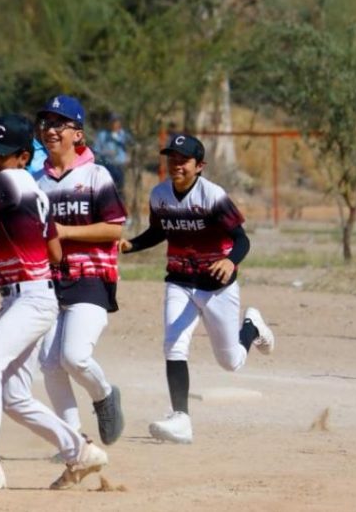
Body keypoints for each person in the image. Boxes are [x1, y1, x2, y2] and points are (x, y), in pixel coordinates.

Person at [0, 114, 108, 492]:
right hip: (32, 297)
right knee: (14, 396)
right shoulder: (36, 192)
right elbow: (55, 253)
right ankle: (79, 450)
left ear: (22, 157)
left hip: (29, 299)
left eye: (3, 155)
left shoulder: (8, 181)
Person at [118, 132, 275, 444]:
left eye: (184, 160)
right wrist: (130, 244)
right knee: (173, 343)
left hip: (217, 287)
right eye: (171, 159)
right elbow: (158, 231)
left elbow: (242, 239)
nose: (176, 164)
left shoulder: (212, 196)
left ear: (199, 165)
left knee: (230, 362)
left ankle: (252, 326)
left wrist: (230, 262)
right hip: (179, 281)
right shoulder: (160, 194)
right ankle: (181, 419)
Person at [32, 96, 125, 446]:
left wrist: (66, 233)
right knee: (49, 363)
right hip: (49, 281)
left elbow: (115, 228)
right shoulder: (37, 183)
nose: (50, 130)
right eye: (46, 124)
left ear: (78, 134)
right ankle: (74, 440)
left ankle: (103, 394)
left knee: (74, 356)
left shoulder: (95, 175)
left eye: (60, 124)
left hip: (91, 277)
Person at [92, 113, 132, 191]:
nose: (116, 124)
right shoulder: (102, 135)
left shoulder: (123, 134)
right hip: (108, 166)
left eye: (118, 122)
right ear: (110, 123)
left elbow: (132, 145)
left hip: (121, 166)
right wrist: (106, 152)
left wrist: (128, 156)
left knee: (120, 189)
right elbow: (95, 150)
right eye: (114, 122)